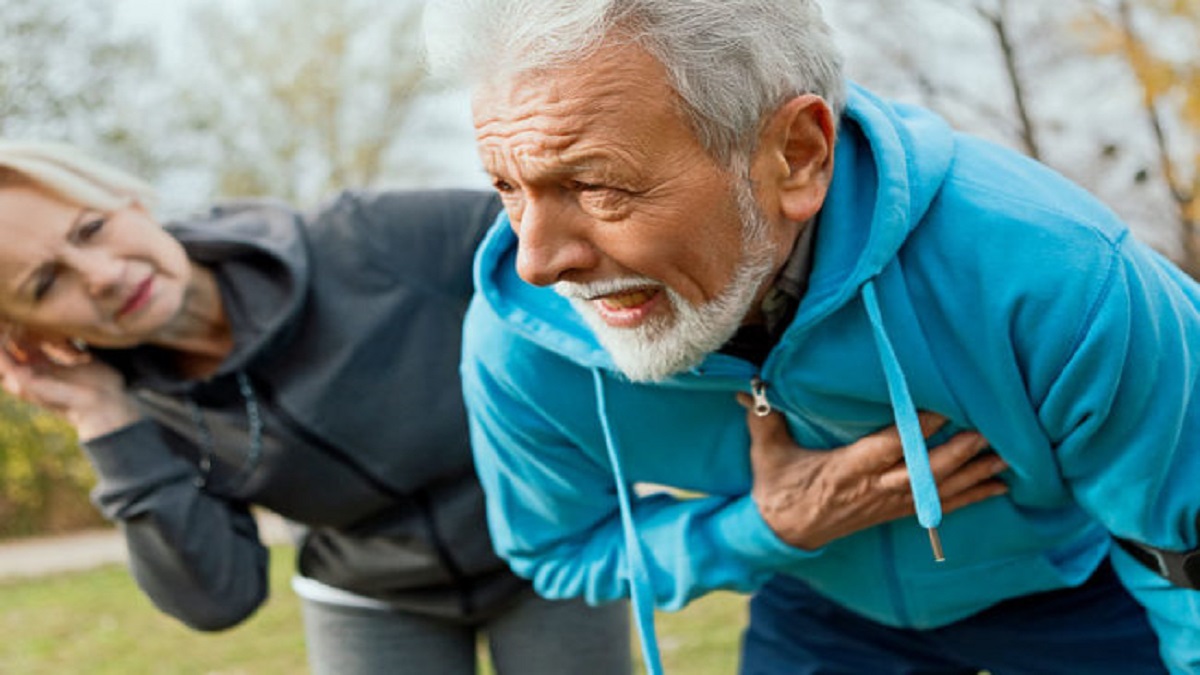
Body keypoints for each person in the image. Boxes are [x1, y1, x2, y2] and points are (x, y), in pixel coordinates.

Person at [421, 1, 1200, 673]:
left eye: (596, 184)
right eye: (508, 187)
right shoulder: (520, 340)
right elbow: (557, 551)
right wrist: (765, 529)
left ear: (797, 155)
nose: (537, 262)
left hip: (1079, 587)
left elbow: (1186, 544)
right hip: (823, 601)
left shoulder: (1053, 270)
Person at [0, 140, 634, 675]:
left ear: (130, 203)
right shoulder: (141, 412)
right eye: (46, 284)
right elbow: (218, 599)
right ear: (29, 336)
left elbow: (564, 254)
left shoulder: (366, 239)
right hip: (368, 597)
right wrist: (103, 420)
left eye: (90, 229)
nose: (102, 275)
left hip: (546, 549)